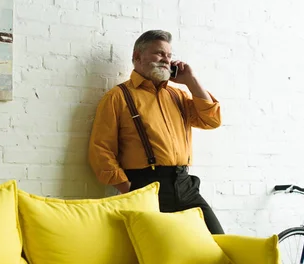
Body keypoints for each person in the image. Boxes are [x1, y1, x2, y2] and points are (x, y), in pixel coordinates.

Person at [88, 29, 224, 234]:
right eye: (159, 53)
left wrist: (191, 80)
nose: (166, 60)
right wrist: (130, 190)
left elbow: (211, 120)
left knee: (217, 241)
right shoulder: (118, 97)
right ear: (137, 57)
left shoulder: (177, 95)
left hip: (184, 183)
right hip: (146, 186)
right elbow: (101, 151)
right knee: (167, 253)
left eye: (169, 55)